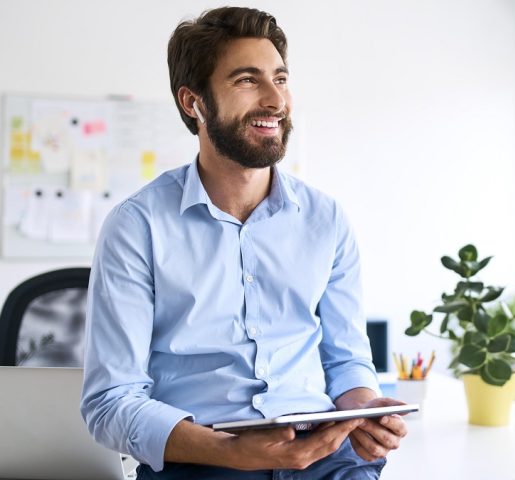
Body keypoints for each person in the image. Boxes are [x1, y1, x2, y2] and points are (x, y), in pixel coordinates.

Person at [80, 6, 406, 479]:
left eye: (280, 78)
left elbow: (347, 359)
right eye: (247, 81)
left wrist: (364, 409)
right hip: (206, 459)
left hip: (326, 457)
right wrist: (233, 453)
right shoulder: (137, 226)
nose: (276, 100)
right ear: (194, 102)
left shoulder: (325, 218)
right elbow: (110, 402)